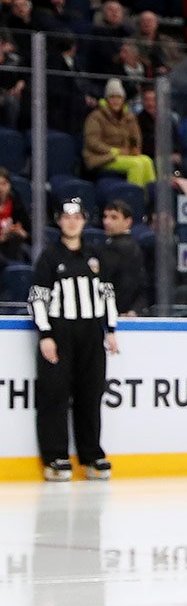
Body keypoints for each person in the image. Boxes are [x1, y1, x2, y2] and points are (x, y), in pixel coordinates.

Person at [29, 198, 119, 482]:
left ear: (84, 221)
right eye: (66, 217)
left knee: (90, 394)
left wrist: (111, 329)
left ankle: (91, 454)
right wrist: (45, 334)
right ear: (59, 221)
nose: (71, 222)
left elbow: (107, 294)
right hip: (60, 331)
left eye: (77, 216)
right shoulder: (49, 257)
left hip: (92, 333)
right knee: (54, 394)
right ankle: (55, 456)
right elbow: (37, 298)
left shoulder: (95, 257)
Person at [83, 79, 156, 187]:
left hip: (124, 154)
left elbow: (135, 137)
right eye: (112, 97)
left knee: (147, 161)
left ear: (123, 99)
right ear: (107, 99)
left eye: (118, 97)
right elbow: (92, 142)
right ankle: (134, 198)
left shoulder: (129, 117)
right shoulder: (96, 117)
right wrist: (115, 151)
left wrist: (135, 148)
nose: (115, 101)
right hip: (102, 157)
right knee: (136, 164)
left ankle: (151, 199)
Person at [99, 199, 148, 315]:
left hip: (118, 312)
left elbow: (126, 284)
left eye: (114, 217)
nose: (107, 222)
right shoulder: (130, 245)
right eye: (105, 217)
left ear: (128, 222)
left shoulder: (119, 247)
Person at [0, 167, 31, 267]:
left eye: (4, 184)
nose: (1, 188)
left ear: (9, 185)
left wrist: (23, 234)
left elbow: (30, 234)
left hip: (15, 247)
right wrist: (2, 238)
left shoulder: (16, 203)